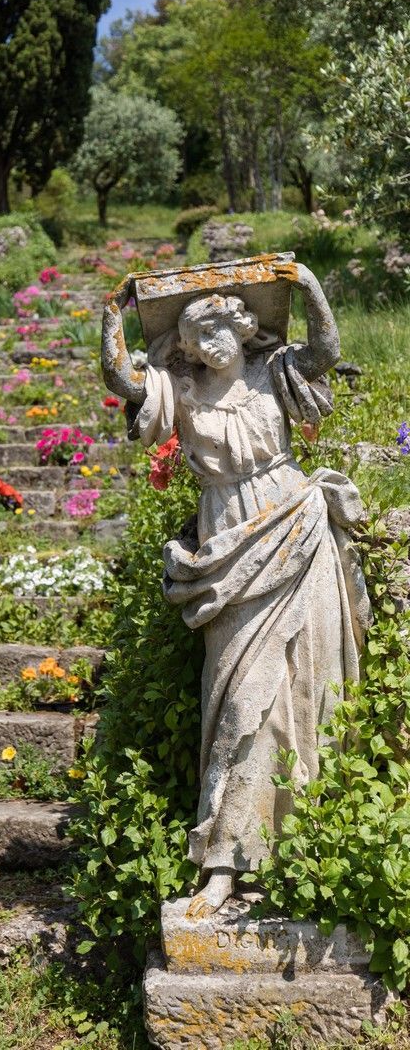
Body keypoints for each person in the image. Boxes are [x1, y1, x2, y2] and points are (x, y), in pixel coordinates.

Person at [101, 262, 371, 918]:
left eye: (226, 324)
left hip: (295, 525)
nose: (217, 338)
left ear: (244, 326)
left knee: (298, 696)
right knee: (233, 701)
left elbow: (328, 351)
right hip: (227, 545)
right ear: (187, 345)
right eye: (202, 330)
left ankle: (304, 849)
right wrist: (112, 314)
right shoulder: (183, 391)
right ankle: (223, 857)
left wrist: (307, 282)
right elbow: (125, 380)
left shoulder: (273, 371)